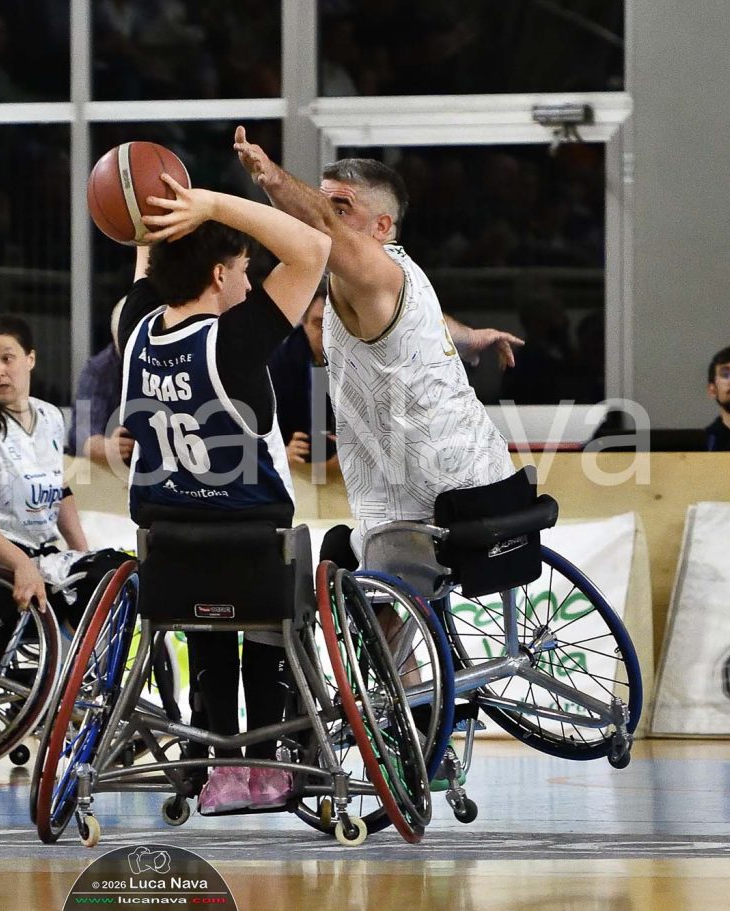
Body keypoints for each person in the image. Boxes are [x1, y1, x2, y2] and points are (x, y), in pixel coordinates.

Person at [115, 174, 330, 813]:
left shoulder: (133, 328)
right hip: (255, 549)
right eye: (242, 270)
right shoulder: (234, 341)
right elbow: (314, 249)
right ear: (217, 275)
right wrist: (209, 205)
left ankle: (221, 762)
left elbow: (146, 272)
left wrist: (151, 213)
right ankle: (263, 763)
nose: (249, 283)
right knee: (266, 591)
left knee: (205, 603)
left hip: (169, 549)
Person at [233, 127, 517, 566]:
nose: (325, 216)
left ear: (382, 226)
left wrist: (269, 178)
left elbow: (317, 227)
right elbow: (432, 323)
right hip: (490, 478)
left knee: (329, 555)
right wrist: (470, 337)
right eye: (323, 202)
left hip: (428, 503)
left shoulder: (372, 275)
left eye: (341, 208)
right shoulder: (402, 274)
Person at [0, 314, 125, 621]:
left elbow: (59, 488)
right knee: (100, 580)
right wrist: (20, 563)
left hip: (42, 555)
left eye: (7, 359)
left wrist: (81, 551)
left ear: (30, 359)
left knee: (117, 572)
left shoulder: (50, 416)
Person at [267, 279, 339, 477]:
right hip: (297, 469)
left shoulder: (362, 361)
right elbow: (256, 433)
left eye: (335, 325)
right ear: (303, 322)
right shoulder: (278, 363)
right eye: (319, 324)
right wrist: (282, 452)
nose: (327, 334)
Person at [68, 298, 134, 467]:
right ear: (115, 336)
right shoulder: (98, 370)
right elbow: (81, 433)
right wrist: (107, 448)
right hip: (117, 471)